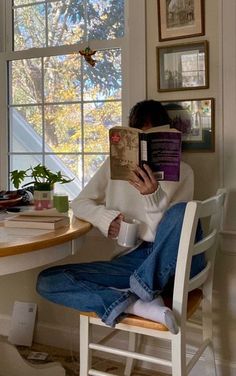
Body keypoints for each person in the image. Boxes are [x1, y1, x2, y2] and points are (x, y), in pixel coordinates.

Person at [36, 100, 205, 334]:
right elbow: (80, 203)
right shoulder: (112, 169)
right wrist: (108, 219)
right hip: (133, 260)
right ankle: (137, 303)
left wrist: (152, 196)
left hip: (175, 263)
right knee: (48, 280)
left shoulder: (184, 173)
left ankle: (144, 288)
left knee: (182, 212)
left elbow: (166, 234)